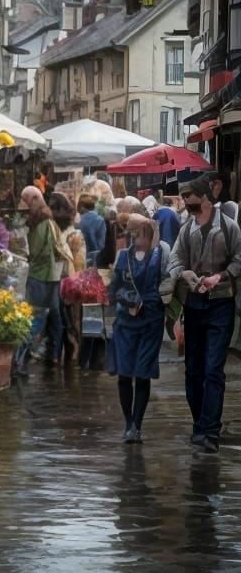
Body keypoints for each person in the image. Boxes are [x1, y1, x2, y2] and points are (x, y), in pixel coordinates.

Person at [167, 179, 241, 451]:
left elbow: (239, 258)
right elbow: (175, 259)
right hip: (194, 303)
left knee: (213, 369)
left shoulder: (229, 227)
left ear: (205, 197)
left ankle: (210, 432)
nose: (185, 201)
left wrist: (221, 276)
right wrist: (183, 272)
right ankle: (200, 424)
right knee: (193, 370)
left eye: (189, 195)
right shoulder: (187, 229)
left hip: (221, 302)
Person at [109, 214, 169, 444]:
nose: (138, 238)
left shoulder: (160, 255)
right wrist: (126, 299)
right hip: (126, 322)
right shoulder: (123, 256)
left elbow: (167, 284)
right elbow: (114, 287)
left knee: (143, 374)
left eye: (143, 234)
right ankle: (128, 423)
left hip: (151, 322)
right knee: (125, 374)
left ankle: (137, 425)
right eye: (135, 234)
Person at [15, 186, 66, 374]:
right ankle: (53, 355)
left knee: (35, 316)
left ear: (34, 199)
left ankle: (21, 361)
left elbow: (35, 250)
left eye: (26, 200)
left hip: (40, 275)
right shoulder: (48, 219)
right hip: (51, 275)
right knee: (53, 317)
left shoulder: (42, 222)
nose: (24, 204)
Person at [51, 191, 82, 366]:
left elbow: (79, 263)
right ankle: (62, 354)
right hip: (57, 282)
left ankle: (69, 353)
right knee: (62, 320)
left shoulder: (73, 235)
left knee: (67, 321)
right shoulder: (56, 230)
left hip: (67, 285)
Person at [77, 192, 108, 268]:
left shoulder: (79, 221)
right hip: (97, 257)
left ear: (82, 207)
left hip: (81, 256)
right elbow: (102, 242)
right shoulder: (100, 220)